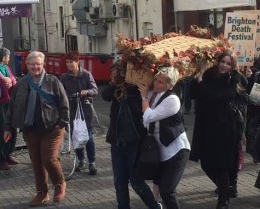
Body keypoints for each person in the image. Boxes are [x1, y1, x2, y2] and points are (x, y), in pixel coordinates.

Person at [3, 51, 69, 206]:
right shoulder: (21, 83)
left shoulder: (52, 81)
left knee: (48, 158)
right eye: (32, 64)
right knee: (36, 162)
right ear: (27, 65)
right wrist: (7, 127)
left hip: (52, 127)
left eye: (38, 64)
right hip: (30, 129)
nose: (35, 67)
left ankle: (59, 184)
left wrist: (62, 122)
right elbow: (12, 107)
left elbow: (64, 103)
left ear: (43, 65)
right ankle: (42, 193)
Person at [190, 50, 247, 209]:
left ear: (233, 66)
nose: (224, 66)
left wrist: (201, 83)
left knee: (221, 165)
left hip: (224, 127)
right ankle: (227, 188)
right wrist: (197, 76)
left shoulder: (233, 78)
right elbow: (193, 94)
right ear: (218, 61)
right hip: (206, 124)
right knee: (206, 163)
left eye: (228, 63)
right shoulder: (208, 73)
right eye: (222, 62)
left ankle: (223, 202)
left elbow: (221, 96)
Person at [102, 61, 162, 209]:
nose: (115, 76)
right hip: (117, 141)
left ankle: (154, 206)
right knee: (119, 181)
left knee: (135, 180)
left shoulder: (137, 89)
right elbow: (105, 95)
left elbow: (143, 109)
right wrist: (116, 84)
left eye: (119, 73)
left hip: (135, 141)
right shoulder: (115, 90)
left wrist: (135, 88)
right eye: (113, 74)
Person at [138, 67, 190, 209]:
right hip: (159, 149)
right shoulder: (152, 94)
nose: (156, 84)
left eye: (161, 82)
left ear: (170, 85)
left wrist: (144, 97)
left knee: (167, 190)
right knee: (157, 185)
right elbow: (145, 121)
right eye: (156, 80)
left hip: (176, 150)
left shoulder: (172, 99)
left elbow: (148, 117)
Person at [61, 51, 99, 175]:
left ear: (77, 62)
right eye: (67, 62)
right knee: (76, 137)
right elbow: (61, 93)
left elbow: (95, 90)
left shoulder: (86, 75)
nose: (69, 65)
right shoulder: (65, 77)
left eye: (71, 62)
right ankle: (81, 160)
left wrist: (86, 92)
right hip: (72, 111)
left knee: (88, 137)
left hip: (85, 111)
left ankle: (92, 162)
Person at [0, 47, 17, 170]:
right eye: (7, 56)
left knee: (11, 127)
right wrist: (6, 81)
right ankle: (1, 158)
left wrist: (10, 81)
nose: (9, 58)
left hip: (8, 101)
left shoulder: (6, 67)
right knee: (2, 129)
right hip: (1, 103)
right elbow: (4, 81)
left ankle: (8, 154)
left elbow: (12, 79)